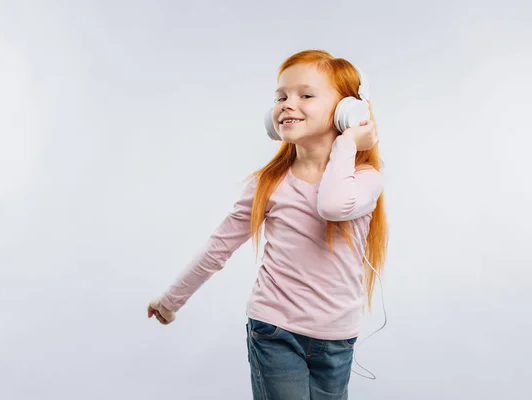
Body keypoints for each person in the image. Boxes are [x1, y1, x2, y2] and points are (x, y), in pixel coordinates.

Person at [147, 49, 388, 399]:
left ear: (347, 112)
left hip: (338, 338)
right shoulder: (268, 184)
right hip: (275, 330)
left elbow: (333, 205)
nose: (288, 104)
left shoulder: (365, 179)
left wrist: (347, 144)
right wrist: (171, 300)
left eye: (305, 95)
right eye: (281, 96)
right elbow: (219, 247)